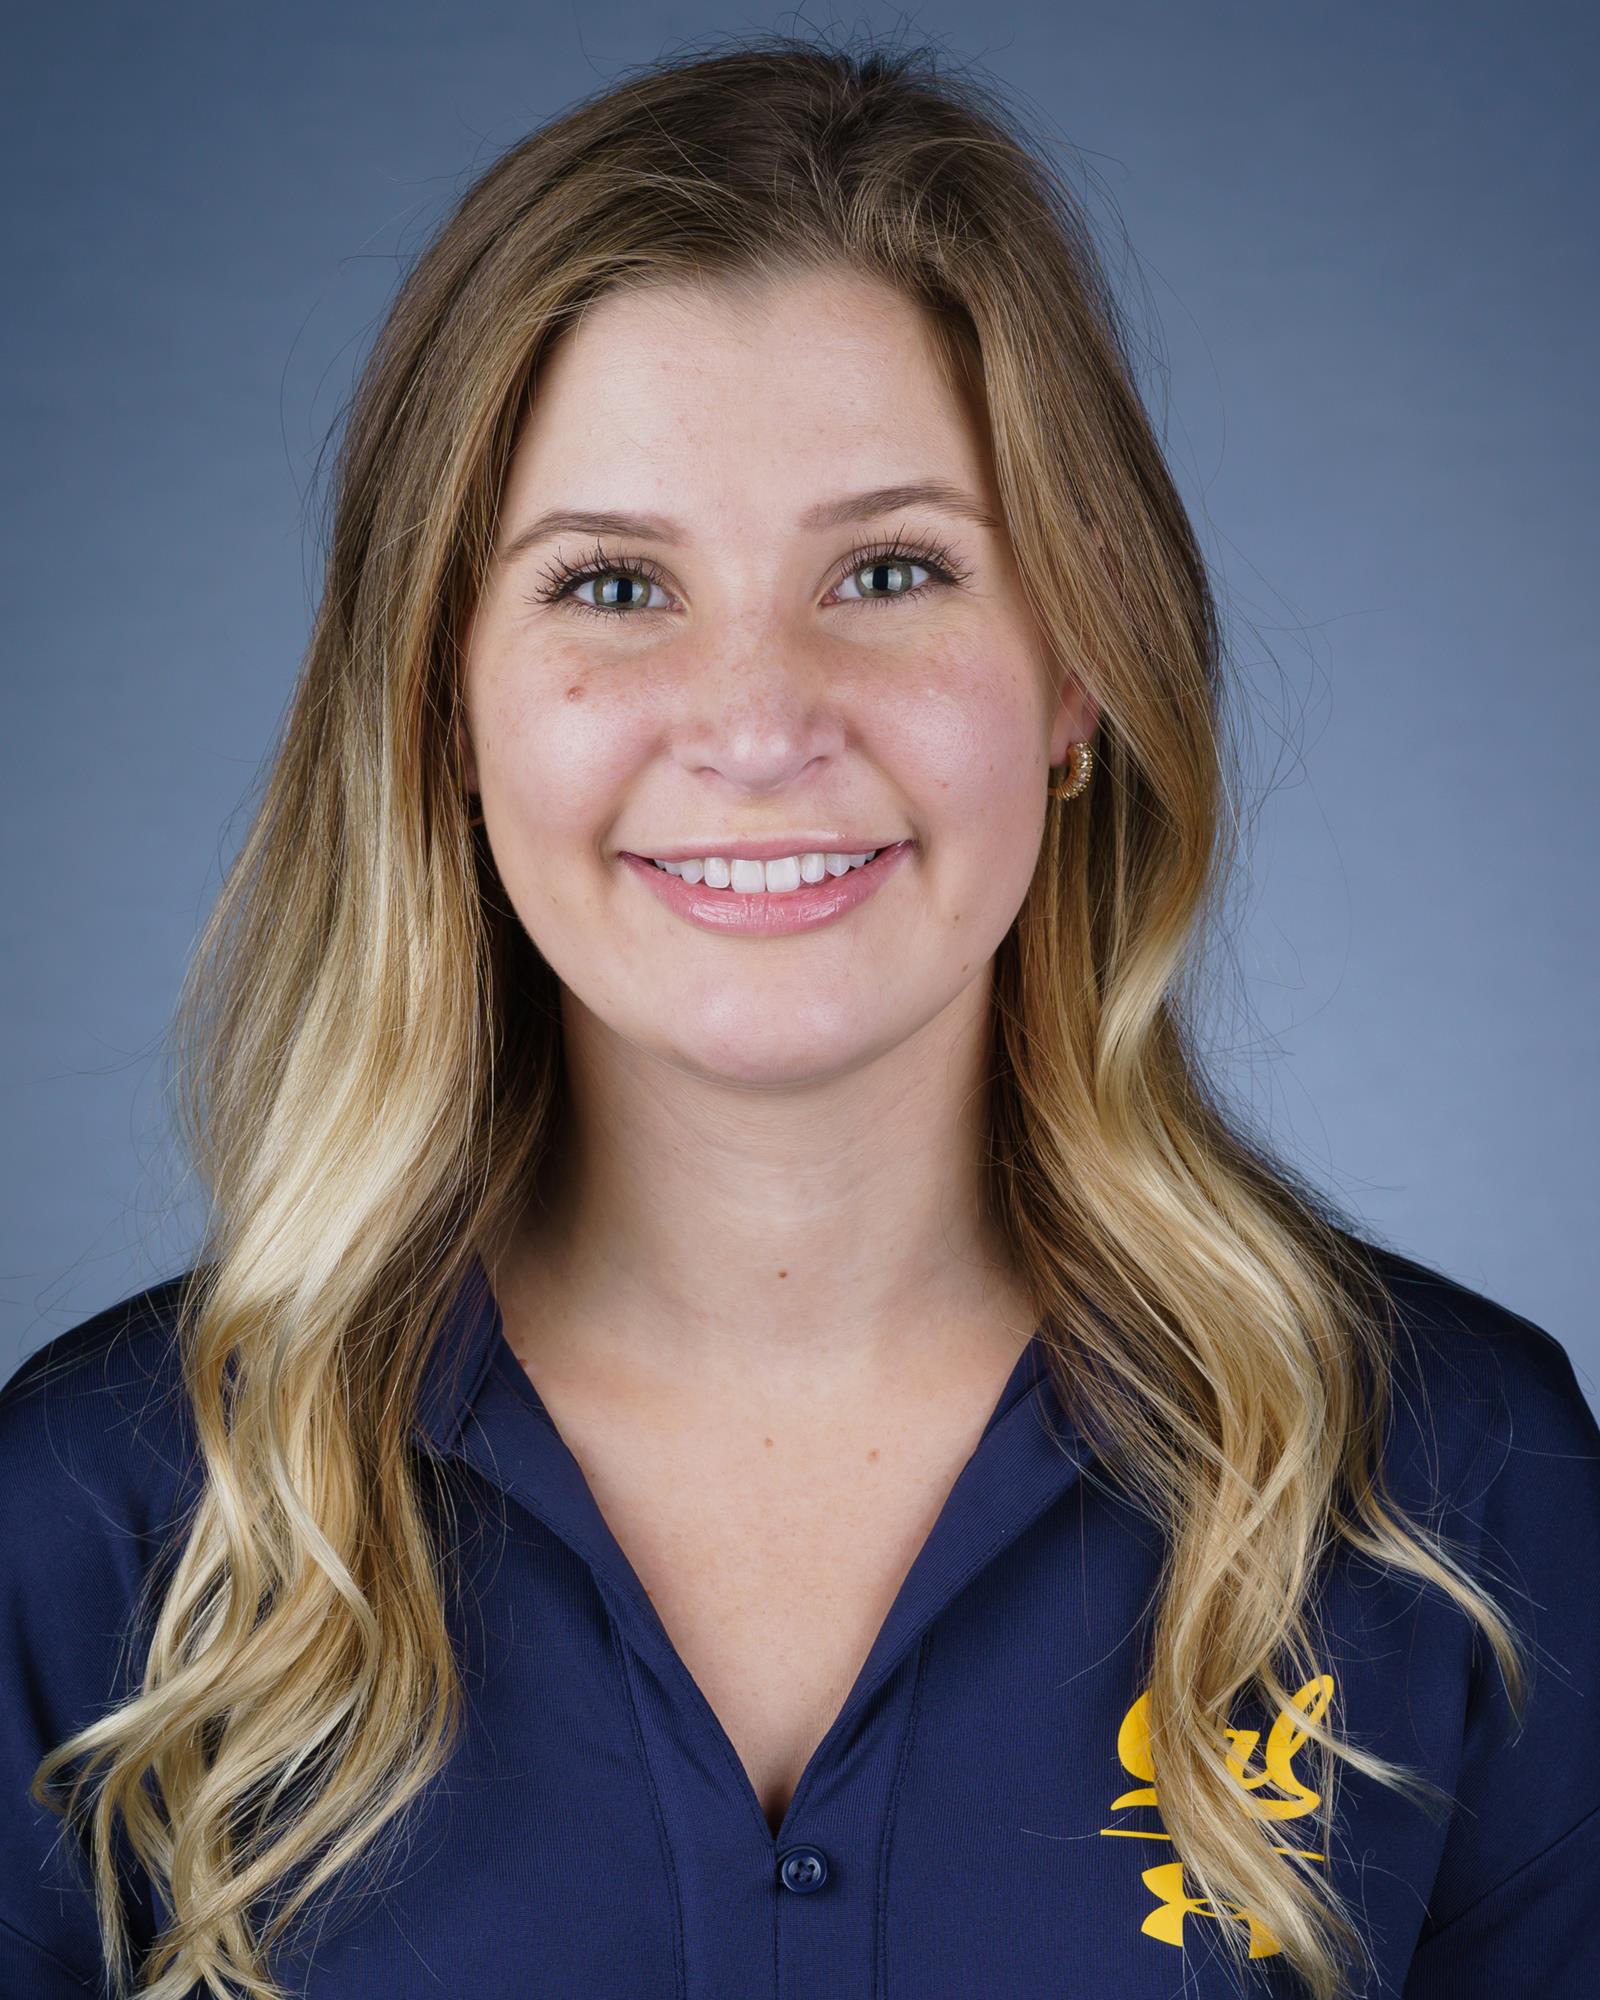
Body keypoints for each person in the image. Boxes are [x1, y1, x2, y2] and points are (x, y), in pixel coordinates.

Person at [2, 30, 1596, 2000]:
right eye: (610, 586)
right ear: (443, 709)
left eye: (889, 567)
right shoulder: (101, 1518)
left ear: (1076, 666)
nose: (757, 720)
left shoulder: (1455, 1489)